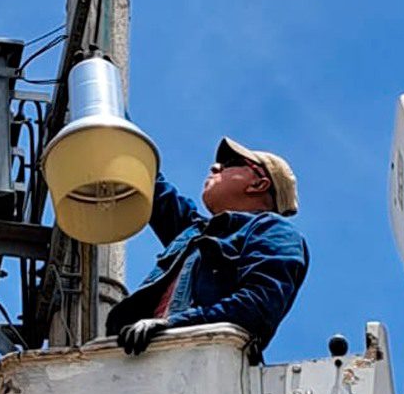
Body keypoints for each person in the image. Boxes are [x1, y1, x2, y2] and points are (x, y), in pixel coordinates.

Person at [106, 137, 309, 357]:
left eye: (230, 162)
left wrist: (174, 324)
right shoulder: (193, 232)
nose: (215, 166)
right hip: (146, 359)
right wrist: (111, 117)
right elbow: (148, 180)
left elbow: (257, 306)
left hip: (208, 364)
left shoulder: (273, 231)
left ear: (259, 184)